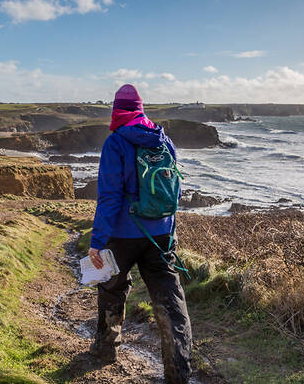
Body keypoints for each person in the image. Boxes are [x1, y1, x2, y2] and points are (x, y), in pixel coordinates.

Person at [88, 84, 192, 383]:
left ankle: (106, 349)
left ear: (117, 109)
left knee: (111, 287)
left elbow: (109, 197)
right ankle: (179, 373)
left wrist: (97, 242)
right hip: (160, 235)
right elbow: (175, 190)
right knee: (171, 301)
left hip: (123, 233)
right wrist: (169, 231)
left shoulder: (116, 142)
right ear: (141, 108)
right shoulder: (163, 140)